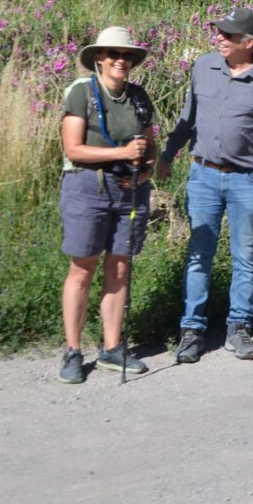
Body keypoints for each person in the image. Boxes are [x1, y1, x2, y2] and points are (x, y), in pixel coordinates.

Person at [157, 8, 253, 363]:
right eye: (218, 32)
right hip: (203, 175)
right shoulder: (203, 67)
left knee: (245, 257)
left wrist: (251, 158)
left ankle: (240, 328)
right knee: (198, 255)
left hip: (247, 179)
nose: (219, 37)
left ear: (249, 43)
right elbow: (186, 119)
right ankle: (192, 330)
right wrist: (168, 155)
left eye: (228, 35)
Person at [56, 27, 156, 383]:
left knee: (119, 268)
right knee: (82, 269)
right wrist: (121, 153)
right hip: (87, 188)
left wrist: (144, 173)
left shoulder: (140, 97)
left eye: (126, 54)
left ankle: (112, 349)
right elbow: (73, 149)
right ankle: (72, 351)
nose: (120, 60)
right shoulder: (81, 92)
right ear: (98, 57)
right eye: (112, 53)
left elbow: (150, 146)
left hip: (129, 190)